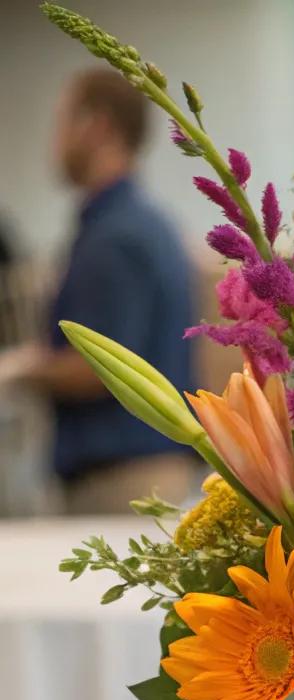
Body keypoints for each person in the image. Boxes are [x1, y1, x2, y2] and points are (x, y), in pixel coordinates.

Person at [0, 68, 197, 516]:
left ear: (98, 127)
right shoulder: (142, 223)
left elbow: (100, 368)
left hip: (122, 482)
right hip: (143, 473)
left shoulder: (115, 235)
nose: (56, 140)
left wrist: (18, 369)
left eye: (64, 121)